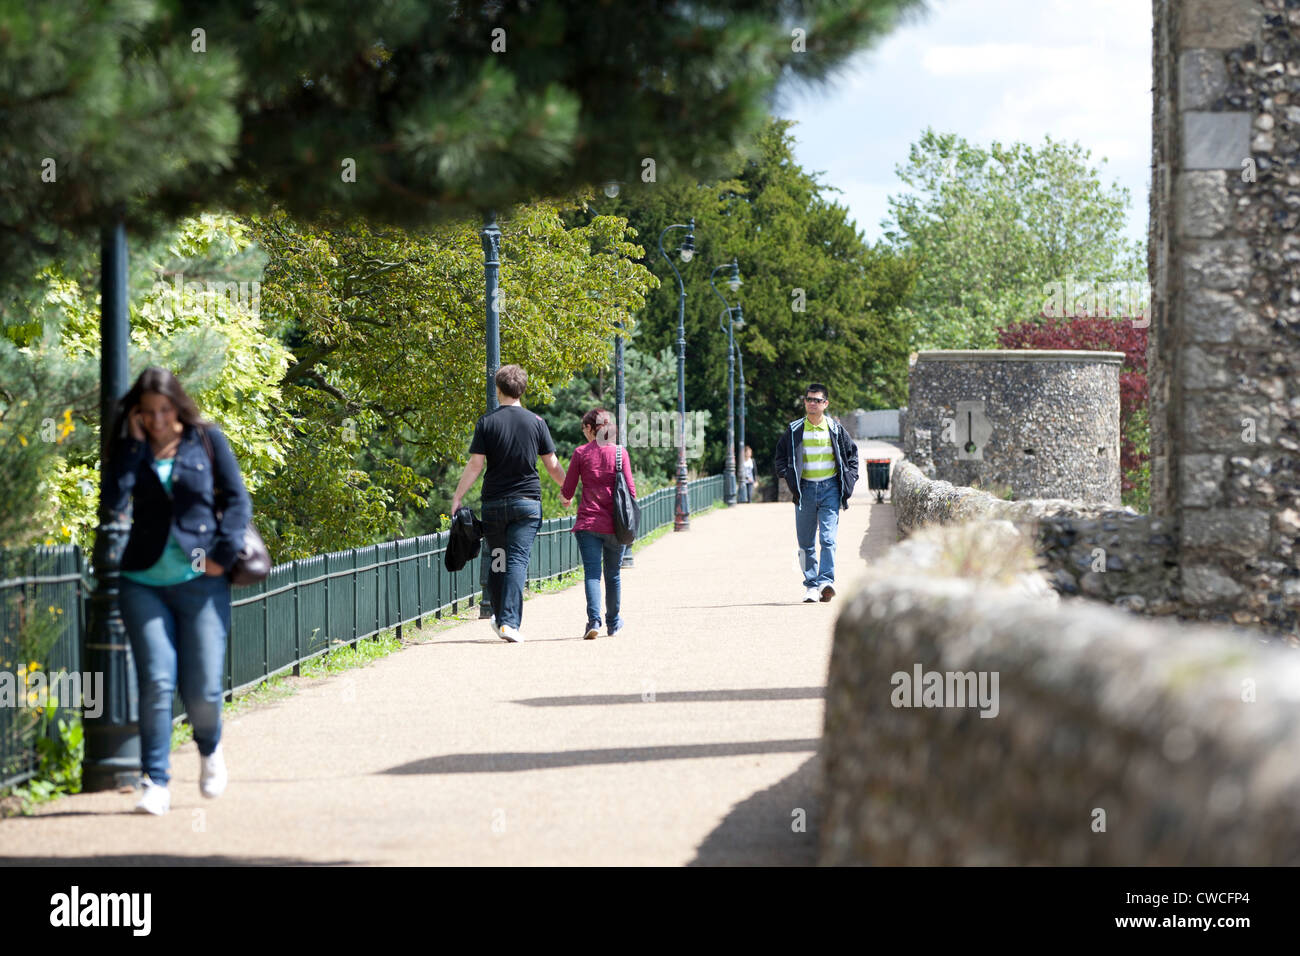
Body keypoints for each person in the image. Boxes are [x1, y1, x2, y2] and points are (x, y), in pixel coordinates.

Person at [105, 366, 252, 815]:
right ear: (136, 413)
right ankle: (157, 782)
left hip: (199, 580)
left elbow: (238, 499)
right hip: (142, 580)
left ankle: (209, 749)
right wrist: (131, 447)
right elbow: (113, 500)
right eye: (146, 412)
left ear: (177, 405)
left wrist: (222, 557)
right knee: (156, 681)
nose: (157, 419)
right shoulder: (130, 448)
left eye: (164, 409)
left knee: (203, 687)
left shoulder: (206, 439)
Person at [451, 365, 565, 642]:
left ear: (498, 389)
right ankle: (509, 623)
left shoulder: (487, 422)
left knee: (499, 559)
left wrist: (458, 496)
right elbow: (551, 463)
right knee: (516, 560)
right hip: (526, 504)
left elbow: (476, 464)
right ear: (522, 390)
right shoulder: (536, 422)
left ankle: (501, 617)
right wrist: (567, 489)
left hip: (494, 505)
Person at [773, 382, 859, 603]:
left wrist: (849, 479)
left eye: (817, 400)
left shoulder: (835, 429)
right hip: (805, 490)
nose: (812, 403)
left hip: (830, 488)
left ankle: (825, 582)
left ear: (825, 404)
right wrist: (788, 474)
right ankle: (811, 585)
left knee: (828, 539)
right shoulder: (794, 430)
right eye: (809, 399)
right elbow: (780, 457)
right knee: (805, 543)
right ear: (805, 402)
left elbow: (852, 455)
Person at [560, 408, 635, 639]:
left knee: (592, 574)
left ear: (592, 428)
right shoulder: (621, 453)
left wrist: (565, 500)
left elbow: (567, 491)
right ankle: (613, 623)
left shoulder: (581, 453)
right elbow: (631, 491)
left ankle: (594, 621)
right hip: (616, 526)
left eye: (584, 428)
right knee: (613, 575)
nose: (583, 433)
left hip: (589, 524)